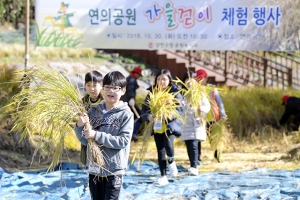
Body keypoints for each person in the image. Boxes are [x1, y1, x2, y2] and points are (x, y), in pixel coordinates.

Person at [75, 71, 134, 200]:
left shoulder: (126, 114)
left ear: (123, 91)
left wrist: (96, 135)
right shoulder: (93, 111)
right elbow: (85, 141)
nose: (110, 91)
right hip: (95, 168)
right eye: (107, 87)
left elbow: (123, 141)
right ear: (103, 88)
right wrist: (79, 126)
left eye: (115, 88)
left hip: (114, 170)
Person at [141, 69, 183, 186]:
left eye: (164, 79)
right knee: (160, 150)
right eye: (159, 79)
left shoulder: (175, 92)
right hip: (157, 126)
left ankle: (171, 160)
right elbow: (143, 110)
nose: (161, 81)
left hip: (169, 125)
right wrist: (148, 116)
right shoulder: (152, 93)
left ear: (169, 80)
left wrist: (168, 114)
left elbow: (179, 109)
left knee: (169, 146)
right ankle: (163, 176)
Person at [181, 71, 211, 176]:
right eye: (186, 81)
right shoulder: (183, 94)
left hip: (196, 123)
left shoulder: (200, 94)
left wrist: (200, 108)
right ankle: (192, 165)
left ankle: (194, 167)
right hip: (186, 123)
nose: (189, 83)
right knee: (189, 145)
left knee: (194, 144)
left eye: (191, 81)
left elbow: (207, 106)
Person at [195, 69, 227, 164]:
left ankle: (217, 155)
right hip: (200, 119)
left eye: (202, 78)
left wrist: (223, 114)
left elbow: (219, 102)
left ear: (206, 78)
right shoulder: (195, 89)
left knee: (215, 138)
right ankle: (197, 158)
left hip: (213, 118)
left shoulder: (212, 88)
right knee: (198, 138)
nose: (200, 81)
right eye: (198, 78)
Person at [80, 70, 103, 166]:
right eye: (88, 85)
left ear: (101, 85)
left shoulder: (106, 101)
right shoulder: (82, 102)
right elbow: (75, 124)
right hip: (88, 141)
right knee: (92, 169)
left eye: (95, 85)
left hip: (103, 140)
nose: (92, 89)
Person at [121, 66, 143, 142]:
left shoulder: (128, 78)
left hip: (123, 102)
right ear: (136, 73)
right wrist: (132, 98)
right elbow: (130, 89)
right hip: (128, 102)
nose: (139, 76)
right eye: (139, 75)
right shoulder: (133, 80)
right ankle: (133, 134)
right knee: (139, 117)